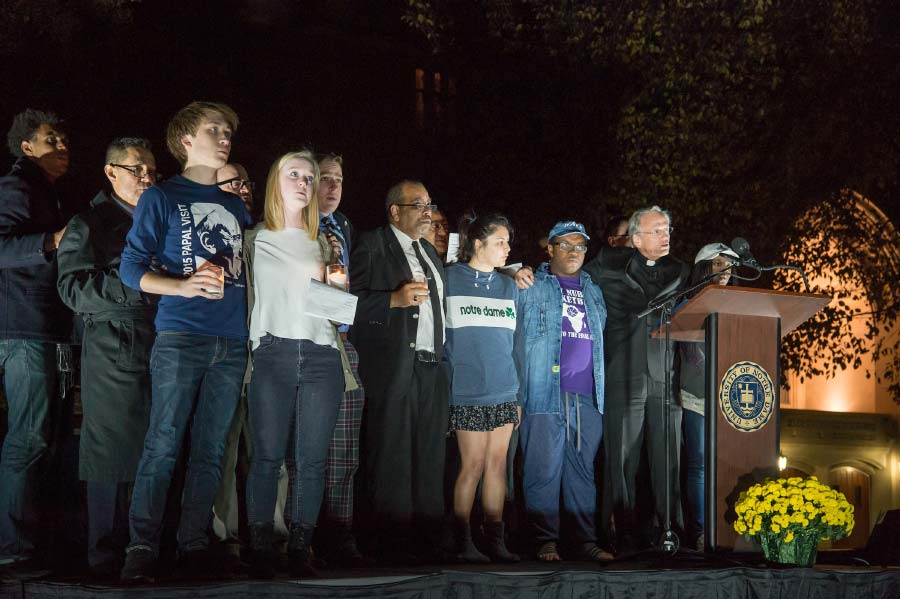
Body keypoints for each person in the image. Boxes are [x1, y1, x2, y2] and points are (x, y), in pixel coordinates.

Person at [118, 101, 252, 583]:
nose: (224, 138)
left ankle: (193, 544)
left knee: (212, 448)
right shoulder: (163, 196)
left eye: (228, 132)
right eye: (213, 130)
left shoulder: (236, 205)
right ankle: (141, 547)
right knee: (164, 441)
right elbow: (131, 268)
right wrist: (180, 284)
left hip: (232, 340)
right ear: (185, 141)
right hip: (182, 336)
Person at [242, 150, 349, 578]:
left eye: (310, 177)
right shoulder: (254, 239)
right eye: (295, 175)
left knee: (312, 458)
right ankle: (261, 545)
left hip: (322, 353)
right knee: (267, 456)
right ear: (275, 181)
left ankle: (301, 546)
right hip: (272, 351)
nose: (305, 183)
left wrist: (336, 283)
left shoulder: (324, 241)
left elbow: (338, 313)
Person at [56, 137, 159, 577]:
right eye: (136, 169)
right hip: (112, 345)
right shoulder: (90, 222)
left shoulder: (163, 221)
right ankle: (102, 553)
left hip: (163, 344)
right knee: (110, 449)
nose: (146, 178)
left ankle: (146, 547)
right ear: (110, 172)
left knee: (156, 448)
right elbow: (73, 289)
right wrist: (137, 284)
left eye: (152, 170)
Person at [581, 206, 690, 554]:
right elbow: (569, 275)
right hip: (623, 372)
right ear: (636, 238)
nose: (666, 235)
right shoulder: (608, 265)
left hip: (664, 377)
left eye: (668, 229)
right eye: (657, 230)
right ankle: (620, 532)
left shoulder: (681, 271)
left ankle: (669, 532)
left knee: (668, 459)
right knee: (622, 458)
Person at [349, 180, 448, 564]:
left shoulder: (429, 253)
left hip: (431, 365)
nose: (427, 213)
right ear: (394, 211)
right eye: (418, 205)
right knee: (391, 455)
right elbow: (347, 302)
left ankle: (429, 542)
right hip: (393, 365)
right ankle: (391, 544)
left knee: (429, 454)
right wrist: (392, 299)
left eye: (429, 204)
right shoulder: (372, 244)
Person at [0, 109, 72, 566]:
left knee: (47, 438)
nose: (63, 147)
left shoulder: (45, 190)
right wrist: (55, 240)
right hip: (23, 329)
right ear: (27, 146)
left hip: (45, 330)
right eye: (51, 139)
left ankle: (34, 544)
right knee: (29, 438)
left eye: (65, 139)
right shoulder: (17, 186)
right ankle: (14, 549)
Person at [516, 221, 612, 562]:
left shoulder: (593, 290)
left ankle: (585, 541)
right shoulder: (530, 284)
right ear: (551, 249)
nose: (574, 252)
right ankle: (545, 541)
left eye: (580, 247)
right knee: (542, 469)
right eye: (566, 245)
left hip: (587, 393)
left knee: (583, 470)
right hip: (544, 391)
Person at [444, 214, 520, 563]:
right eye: (500, 241)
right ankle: (462, 541)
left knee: (497, 465)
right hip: (468, 389)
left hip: (505, 388)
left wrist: (519, 395)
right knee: (471, 465)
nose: (507, 248)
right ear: (477, 244)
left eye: (508, 242)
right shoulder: (450, 278)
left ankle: (495, 539)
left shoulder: (509, 285)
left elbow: (514, 343)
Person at [315, 153, 371, 567]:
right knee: (300, 449)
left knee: (343, 449)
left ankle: (340, 534)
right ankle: (299, 534)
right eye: (324, 178)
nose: (332, 187)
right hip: (304, 344)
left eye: (339, 179)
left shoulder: (343, 227)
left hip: (342, 342)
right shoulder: (290, 227)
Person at [678, 242, 737, 551]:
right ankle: (701, 532)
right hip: (696, 394)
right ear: (703, 268)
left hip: (731, 398)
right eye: (718, 265)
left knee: (728, 464)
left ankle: (730, 530)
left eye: (729, 265)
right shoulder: (689, 302)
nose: (725, 271)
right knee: (700, 464)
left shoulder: (741, 304)